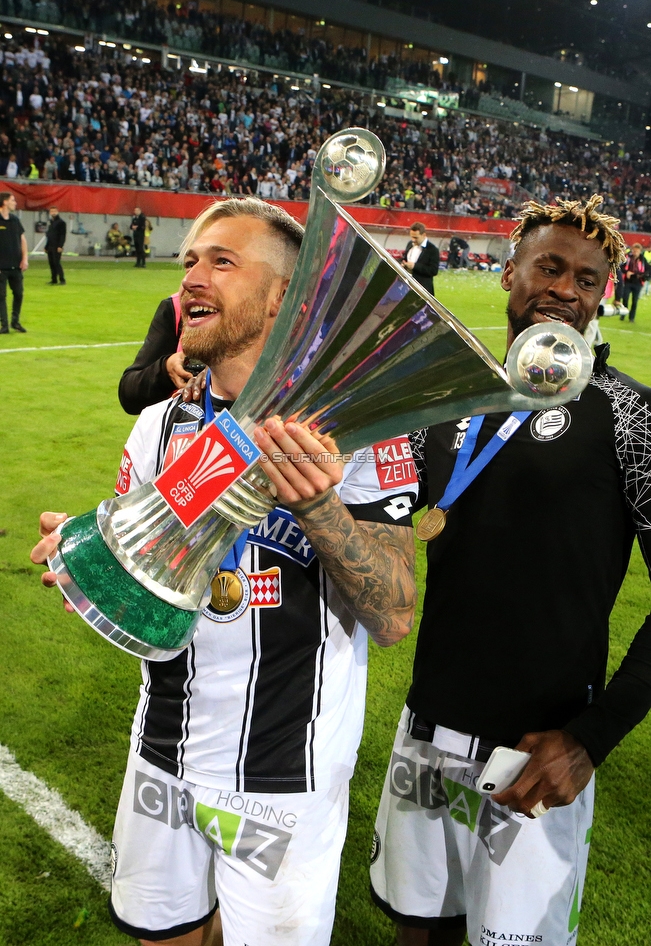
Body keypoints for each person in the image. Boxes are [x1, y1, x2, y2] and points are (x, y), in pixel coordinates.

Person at [31, 197, 419, 946]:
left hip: (284, 774)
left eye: (221, 261)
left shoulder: (360, 432)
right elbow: (142, 566)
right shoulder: (158, 425)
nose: (191, 280)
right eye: (188, 263)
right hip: (162, 751)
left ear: (282, 297)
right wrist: (87, 551)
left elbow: (395, 612)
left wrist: (320, 507)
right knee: (163, 934)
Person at [370, 195, 651, 946]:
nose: (564, 289)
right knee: (416, 930)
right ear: (508, 273)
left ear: (600, 297)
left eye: (586, 280)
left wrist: (590, 738)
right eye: (549, 267)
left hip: (540, 752)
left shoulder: (629, 417)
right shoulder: (448, 396)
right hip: (426, 729)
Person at [118, 289, 203, 415]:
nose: (188, 281)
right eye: (189, 267)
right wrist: (166, 369)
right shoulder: (176, 307)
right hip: (180, 430)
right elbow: (130, 395)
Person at [0, 191, 28, 333]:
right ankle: (4, 325)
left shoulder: (15, 220)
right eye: (12, 200)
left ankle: (15, 322)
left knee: (18, 293)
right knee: (1, 296)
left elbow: (22, 239)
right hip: (1, 267)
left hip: (15, 265)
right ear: (4, 202)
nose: (15, 203)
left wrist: (25, 258)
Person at [402, 223, 439, 295]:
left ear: (424, 235)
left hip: (422, 289)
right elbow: (405, 258)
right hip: (407, 287)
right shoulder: (410, 244)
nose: (413, 240)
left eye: (416, 238)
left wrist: (414, 266)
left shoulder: (432, 250)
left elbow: (433, 271)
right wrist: (403, 264)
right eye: (412, 237)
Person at [620, 242, 647, 322]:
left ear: (640, 251)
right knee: (625, 298)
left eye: (637, 251)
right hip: (628, 281)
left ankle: (631, 318)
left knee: (634, 301)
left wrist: (638, 275)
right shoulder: (628, 257)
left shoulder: (643, 260)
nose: (635, 253)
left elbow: (647, 270)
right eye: (634, 251)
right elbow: (622, 267)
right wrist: (627, 272)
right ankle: (623, 315)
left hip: (637, 282)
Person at [45, 206, 66, 285]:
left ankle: (62, 279)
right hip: (50, 245)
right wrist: (46, 246)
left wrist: (60, 246)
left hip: (56, 245)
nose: (53, 213)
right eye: (51, 211)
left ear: (57, 212)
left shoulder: (61, 223)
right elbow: (49, 236)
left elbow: (62, 235)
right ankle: (54, 279)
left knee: (57, 262)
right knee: (51, 263)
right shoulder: (51, 223)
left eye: (54, 211)